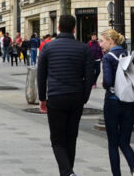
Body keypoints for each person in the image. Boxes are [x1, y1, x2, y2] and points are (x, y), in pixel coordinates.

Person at [36, 15, 95, 176]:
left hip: (56, 97)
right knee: (71, 137)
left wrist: (42, 98)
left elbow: (41, 76)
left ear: (58, 28)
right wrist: (84, 97)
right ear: (74, 29)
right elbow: (90, 77)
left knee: (57, 140)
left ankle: (67, 172)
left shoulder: (48, 48)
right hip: (76, 97)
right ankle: (68, 172)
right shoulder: (84, 48)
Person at [100, 28, 134, 176]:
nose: (100, 45)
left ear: (110, 41)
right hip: (129, 104)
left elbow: (108, 81)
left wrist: (104, 83)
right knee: (125, 142)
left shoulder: (108, 58)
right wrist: (130, 84)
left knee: (113, 144)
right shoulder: (130, 55)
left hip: (112, 103)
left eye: (102, 41)